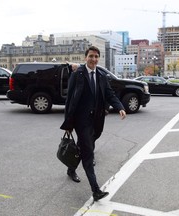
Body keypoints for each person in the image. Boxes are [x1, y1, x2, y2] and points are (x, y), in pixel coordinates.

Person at [60, 46, 126, 201]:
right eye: (91, 56)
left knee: (86, 147)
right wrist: (68, 123)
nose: (94, 59)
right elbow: (70, 100)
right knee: (88, 153)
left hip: (97, 121)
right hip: (81, 121)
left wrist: (120, 107)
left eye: (96, 56)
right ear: (85, 57)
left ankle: (71, 169)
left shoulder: (102, 76)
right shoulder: (77, 75)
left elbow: (110, 94)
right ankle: (96, 190)